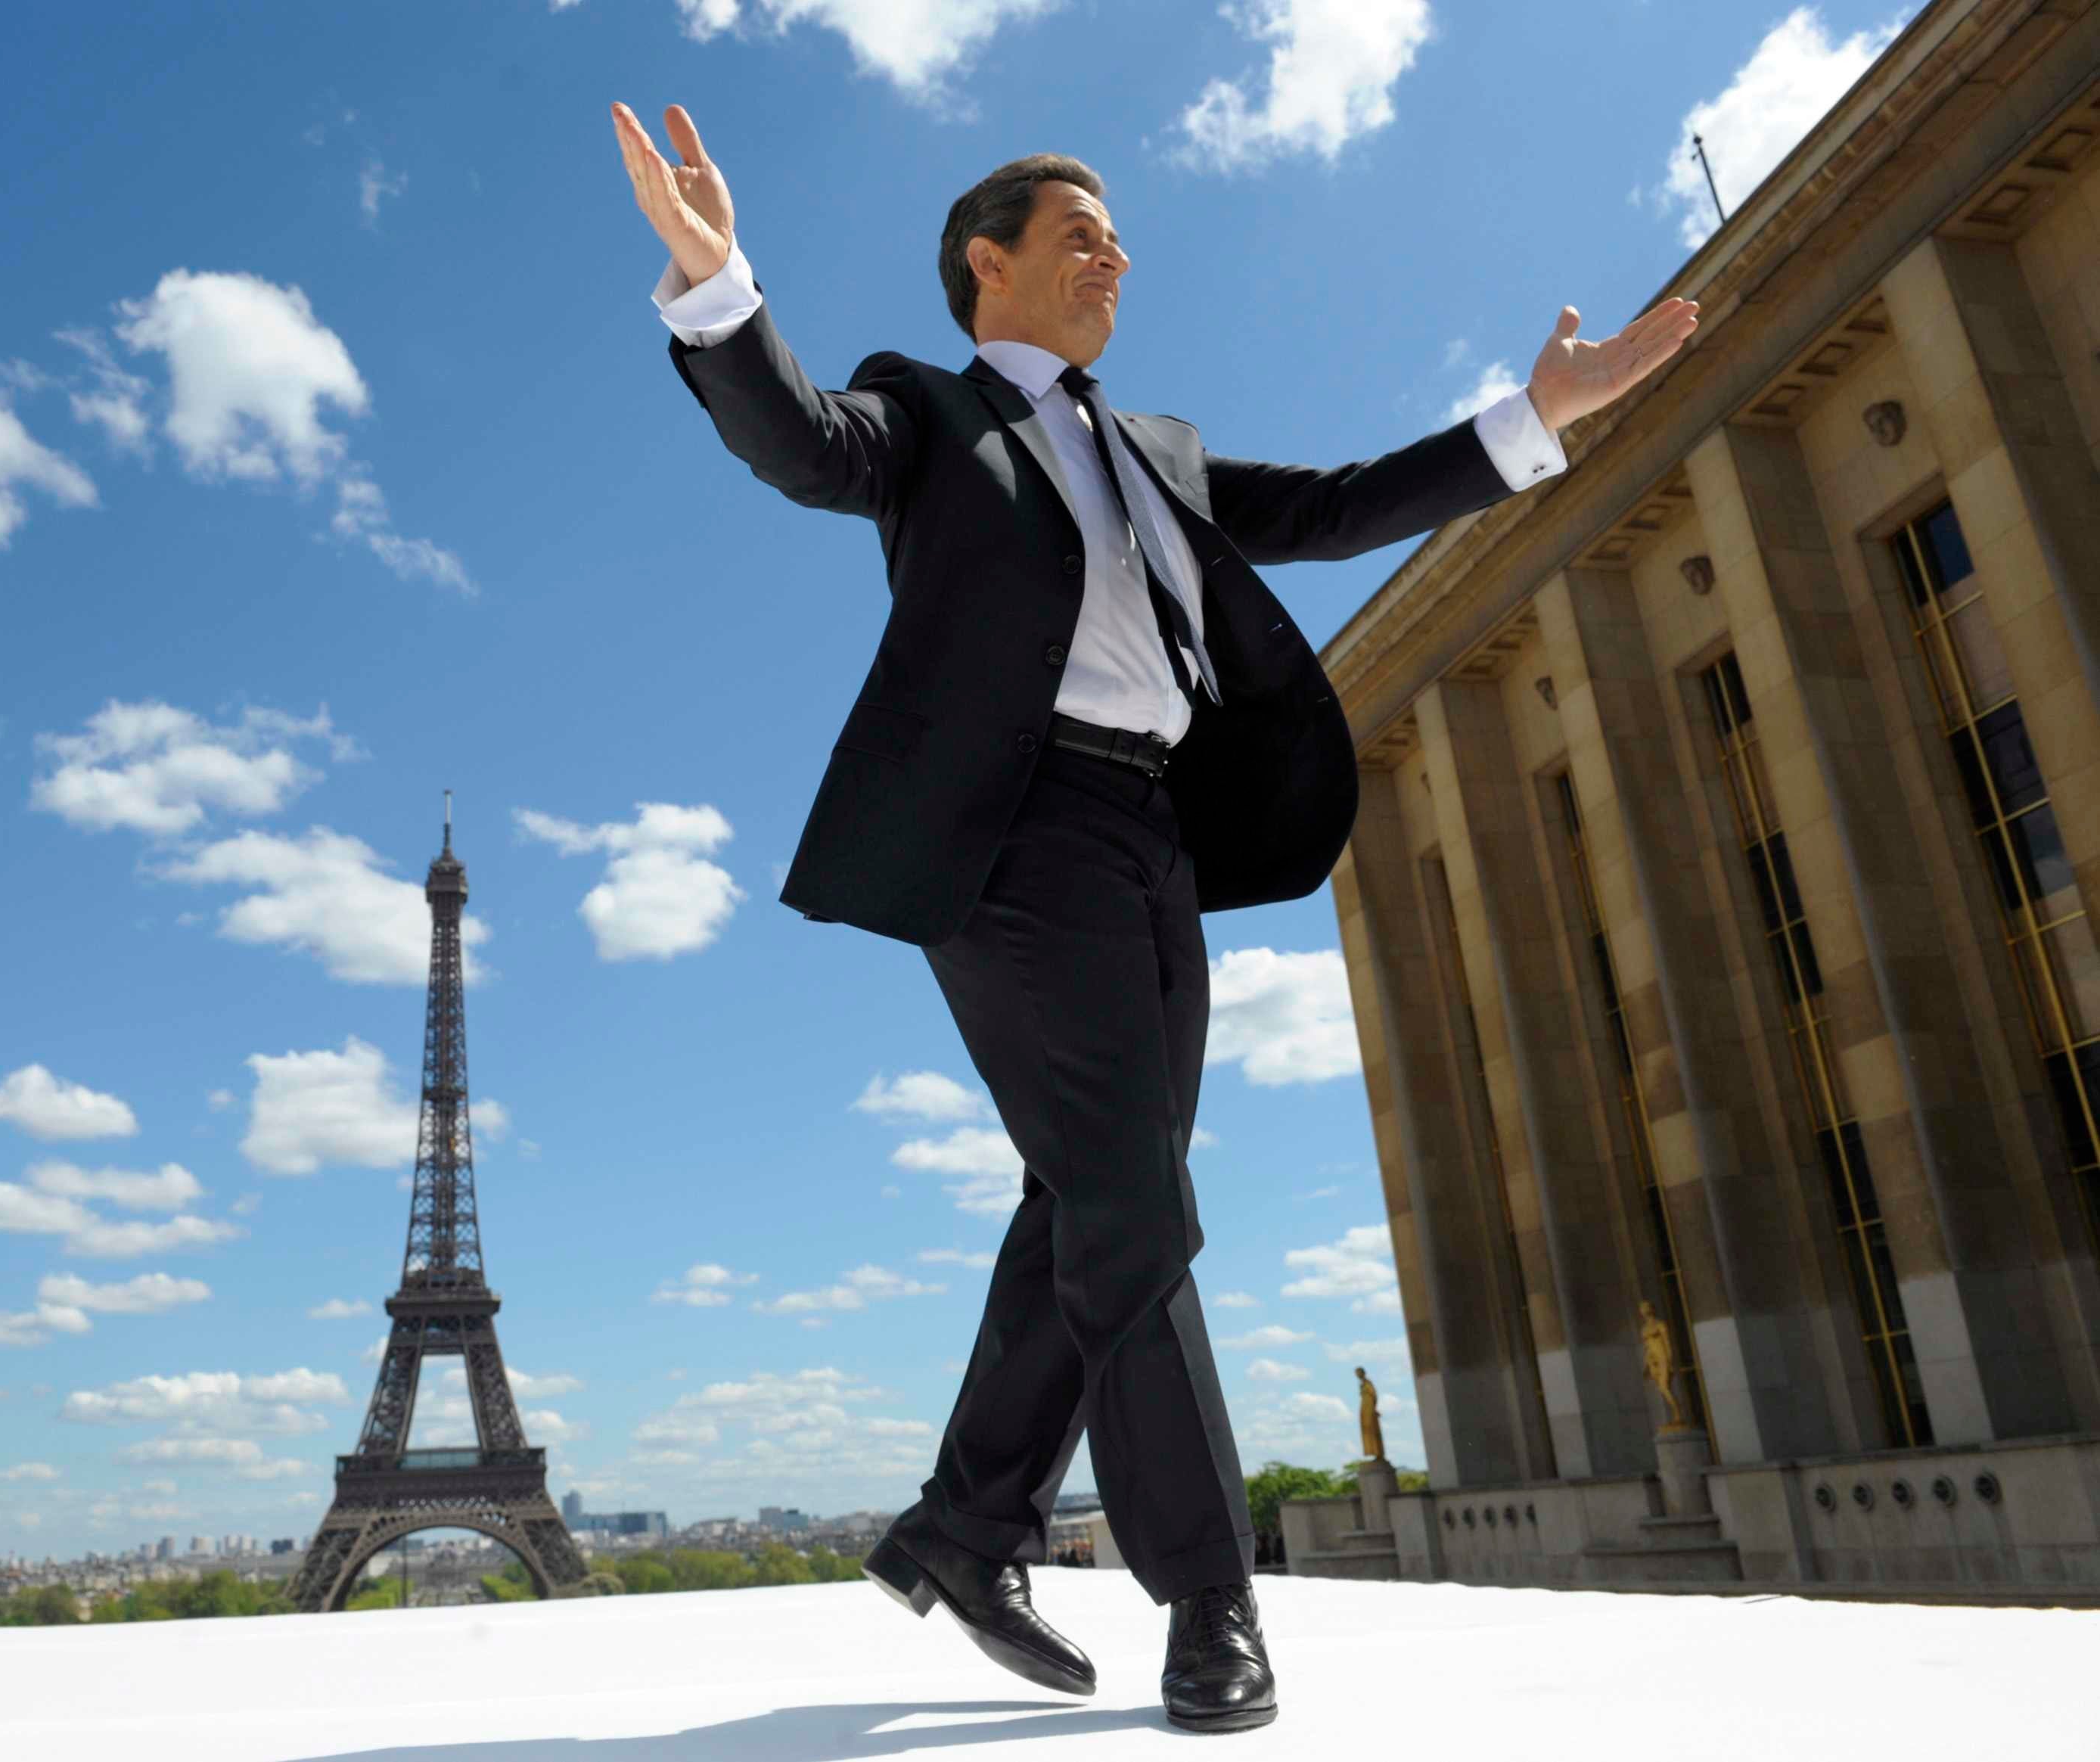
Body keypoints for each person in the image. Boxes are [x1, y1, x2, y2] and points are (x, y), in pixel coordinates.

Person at [610, 101, 1697, 1736]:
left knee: (1097, 1194)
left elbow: (1334, 504)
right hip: (1011, 835)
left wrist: (1529, 420)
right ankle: (1210, 1600)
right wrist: (717, 286)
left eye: (1118, 238)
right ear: (989, 262)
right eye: (1080, 235)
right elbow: (799, 446)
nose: (1116, 256)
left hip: (1153, 835)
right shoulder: (926, 410)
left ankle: (966, 1527)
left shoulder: (1162, 450)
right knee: (1132, 1201)